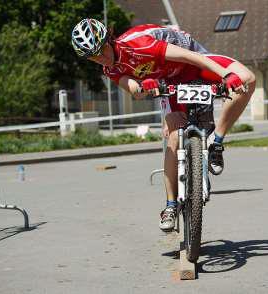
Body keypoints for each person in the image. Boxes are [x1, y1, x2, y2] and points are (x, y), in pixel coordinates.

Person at [71, 18, 256, 232]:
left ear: (109, 40)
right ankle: (170, 205)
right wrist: (143, 87)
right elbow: (133, 89)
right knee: (174, 138)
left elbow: (191, 57)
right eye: (93, 57)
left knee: (247, 79)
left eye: (102, 50)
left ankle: (217, 142)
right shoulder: (109, 69)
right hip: (168, 81)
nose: (101, 58)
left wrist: (228, 75)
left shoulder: (139, 43)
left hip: (194, 63)